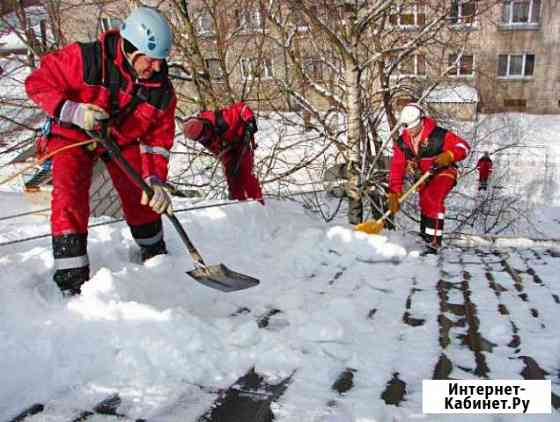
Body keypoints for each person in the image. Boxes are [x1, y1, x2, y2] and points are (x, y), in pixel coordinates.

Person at [25, 7, 176, 295]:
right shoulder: (86, 60)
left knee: (140, 190)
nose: (157, 67)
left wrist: (155, 181)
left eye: (161, 61)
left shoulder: (161, 92)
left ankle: (154, 253)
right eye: (152, 59)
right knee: (69, 193)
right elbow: (38, 82)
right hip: (74, 132)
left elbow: (157, 142)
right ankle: (71, 276)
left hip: (121, 138)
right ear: (131, 48)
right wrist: (72, 110)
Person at [387, 103, 471, 254]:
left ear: (421, 120)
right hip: (424, 177)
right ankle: (426, 237)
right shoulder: (402, 143)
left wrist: (450, 155)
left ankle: (434, 243)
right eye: (407, 127)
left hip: (444, 172)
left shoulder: (438, 135)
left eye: (413, 126)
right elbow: (397, 167)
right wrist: (394, 191)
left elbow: (464, 147)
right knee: (425, 201)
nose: (410, 131)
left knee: (433, 198)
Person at [183, 101, 264, 204]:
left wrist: (250, 120)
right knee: (232, 178)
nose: (205, 137)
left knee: (245, 174)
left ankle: (258, 203)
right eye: (201, 138)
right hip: (228, 150)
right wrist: (226, 156)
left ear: (205, 125)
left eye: (205, 134)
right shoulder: (203, 138)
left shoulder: (222, 119)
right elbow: (218, 150)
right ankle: (239, 205)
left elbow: (241, 107)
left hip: (242, 140)